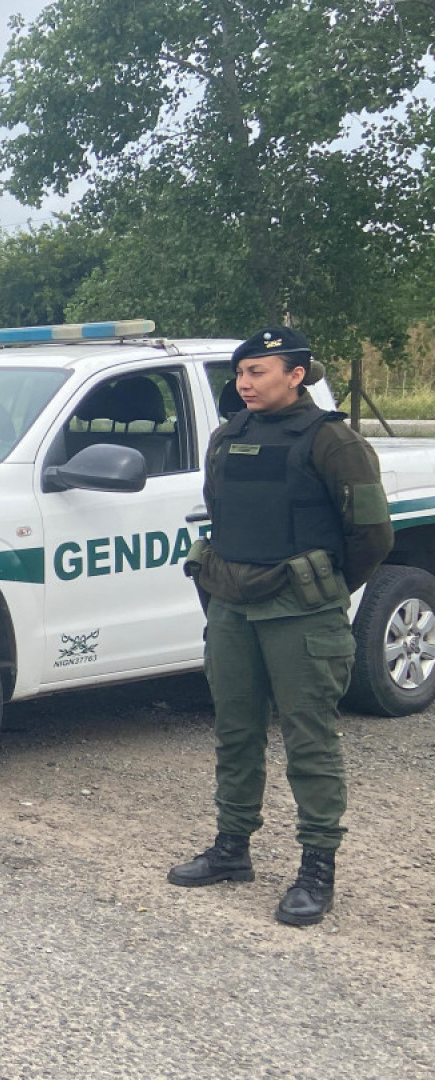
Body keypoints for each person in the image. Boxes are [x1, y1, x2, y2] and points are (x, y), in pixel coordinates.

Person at [169, 327, 393, 927]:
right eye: (240, 373)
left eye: (258, 371)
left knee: (309, 740)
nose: (244, 383)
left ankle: (317, 867)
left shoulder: (333, 441)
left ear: (296, 374)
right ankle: (231, 848)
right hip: (234, 607)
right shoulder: (228, 437)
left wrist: (322, 591)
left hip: (301, 613)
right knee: (235, 731)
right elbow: (220, 511)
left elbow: (372, 535)